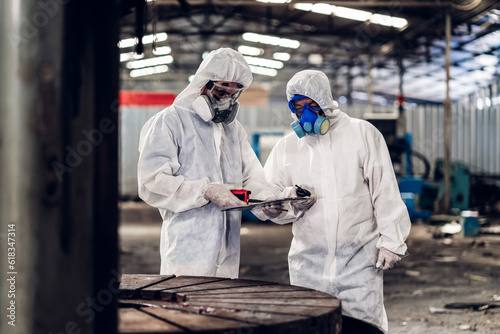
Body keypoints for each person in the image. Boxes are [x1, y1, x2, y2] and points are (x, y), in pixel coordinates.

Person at [262, 70, 411, 333]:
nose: (305, 113)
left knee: (363, 325)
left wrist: (392, 241)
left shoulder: (362, 133)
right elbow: (268, 196)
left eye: (312, 105)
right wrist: (285, 204)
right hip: (308, 262)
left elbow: (384, 190)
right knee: (312, 326)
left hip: (358, 260)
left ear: (326, 101)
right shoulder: (287, 147)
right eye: (298, 106)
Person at [137, 48, 275, 278]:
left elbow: (252, 175)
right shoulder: (169, 122)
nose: (226, 99)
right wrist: (205, 190)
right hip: (186, 248)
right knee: (184, 309)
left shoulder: (233, 129)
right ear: (203, 84)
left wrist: (267, 200)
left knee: (221, 308)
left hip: (229, 249)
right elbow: (151, 182)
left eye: (233, 93)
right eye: (221, 90)